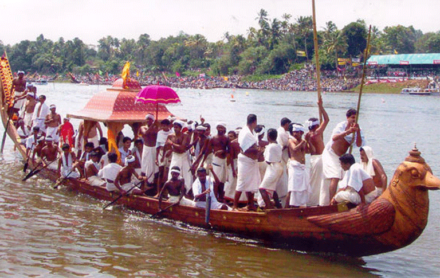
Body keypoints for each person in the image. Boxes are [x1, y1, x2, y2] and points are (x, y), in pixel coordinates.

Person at [320, 108, 365, 206]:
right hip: (331, 154)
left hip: (341, 157)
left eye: (356, 118)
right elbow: (334, 137)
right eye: (352, 117)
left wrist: (356, 132)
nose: (354, 120)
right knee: (335, 176)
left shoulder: (358, 129)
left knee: (345, 177)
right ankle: (332, 202)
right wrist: (348, 131)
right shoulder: (341, 125)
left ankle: (344, 201)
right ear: (347, 118)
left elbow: (359, 144)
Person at [233, 114, 262, 211]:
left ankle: (250, 204)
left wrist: (256, 150)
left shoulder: (249, 131)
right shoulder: (246, 133)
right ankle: (234, 206)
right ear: (254, 122)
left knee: (251, 183)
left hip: (251, 162)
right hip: (245, 161)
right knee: (241, 183)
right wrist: (257, 150)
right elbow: (244, 149)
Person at [306, 97, 329, 206]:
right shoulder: (317, 133)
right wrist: (321, 107)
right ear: (316, 125)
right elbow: (327, 119)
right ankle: (315, 203)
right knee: (320, 182)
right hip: (319, 158)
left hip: (313, 159)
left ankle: (313, 201)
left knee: (313, 181)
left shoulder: (307, 135)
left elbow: (308, 149)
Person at [285, 123, 314, 208]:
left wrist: (308, 141)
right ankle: (286, 208)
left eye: (297, 132)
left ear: (301, 132)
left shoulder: (304, 142)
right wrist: (303, 142)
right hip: (294, 167)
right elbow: (294, 149)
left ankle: (297, 207)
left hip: (302, 168)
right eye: (294, 132)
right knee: (292, 188)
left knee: (301, 189)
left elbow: (312, 151)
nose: (294, 134)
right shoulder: (291, 140)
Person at [258, 128, 283, 209]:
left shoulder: (270, 147)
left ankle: (268, 207)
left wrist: (262, 152)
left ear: (268, 137)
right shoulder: (278, 145)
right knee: (273, 188)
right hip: (279, 166)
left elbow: (268, 161)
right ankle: (278, 206)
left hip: (273, 168)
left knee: (262, 188)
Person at [166, 120, 193, 194]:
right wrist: (170, 149)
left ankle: (186, 192)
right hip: (175, 156)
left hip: (183, 156)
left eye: (177, 127)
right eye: (174, 127)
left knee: (186, 175)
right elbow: (167, 146)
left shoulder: (185, 136)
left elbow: (182, 148)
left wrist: (171, 143)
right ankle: (172, 192)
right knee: (173, 173)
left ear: (180, 128)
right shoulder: (170, 136)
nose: (175, 129)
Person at [207, 122, 229, 201]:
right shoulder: (213, 138)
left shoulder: (226, 138)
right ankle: (214, 198)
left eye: (221, 128)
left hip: (223, 162)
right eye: (219, 127)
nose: (220, 129)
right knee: (215, 181)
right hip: (216, 161)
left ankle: (220, 198)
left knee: (222, 181)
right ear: (216, 128)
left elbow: (229, 150)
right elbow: (208, 150)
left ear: (224, 129)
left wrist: (222, 151)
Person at [139, 114, 159, 185]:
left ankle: (153, 184)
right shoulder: (143, 127)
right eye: (147, 119)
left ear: (152, 120)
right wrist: (152, 125)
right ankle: (143, 184)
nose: (148, 121)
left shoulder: (156, 128)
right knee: (145, 165)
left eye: (150, 119)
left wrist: (155, 126)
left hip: (154, 148)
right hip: (146, 148)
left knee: (155, 167)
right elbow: (145, 133)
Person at [275, 117, 291, 204]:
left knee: (282, 178)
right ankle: (282, 197)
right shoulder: (282, 133)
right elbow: (286, 144)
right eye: (288, 124)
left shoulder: (280, 131)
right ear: (286, 124)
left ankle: (280, 197)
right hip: (282, 158)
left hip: (281, 158)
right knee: (283, 179)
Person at [155, 119, 174, 194]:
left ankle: (166, 192)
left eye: (165, 125)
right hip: (161, 153)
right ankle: (158, 192)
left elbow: (174, 144)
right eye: (162, 125)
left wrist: (171, 151)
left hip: (169, 153)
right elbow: (157, 146)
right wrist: (156, 158)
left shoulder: (172, 133)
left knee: (168, 172)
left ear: (169, 126)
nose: (163, 127)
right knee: (160, 173)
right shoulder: (159, 133)